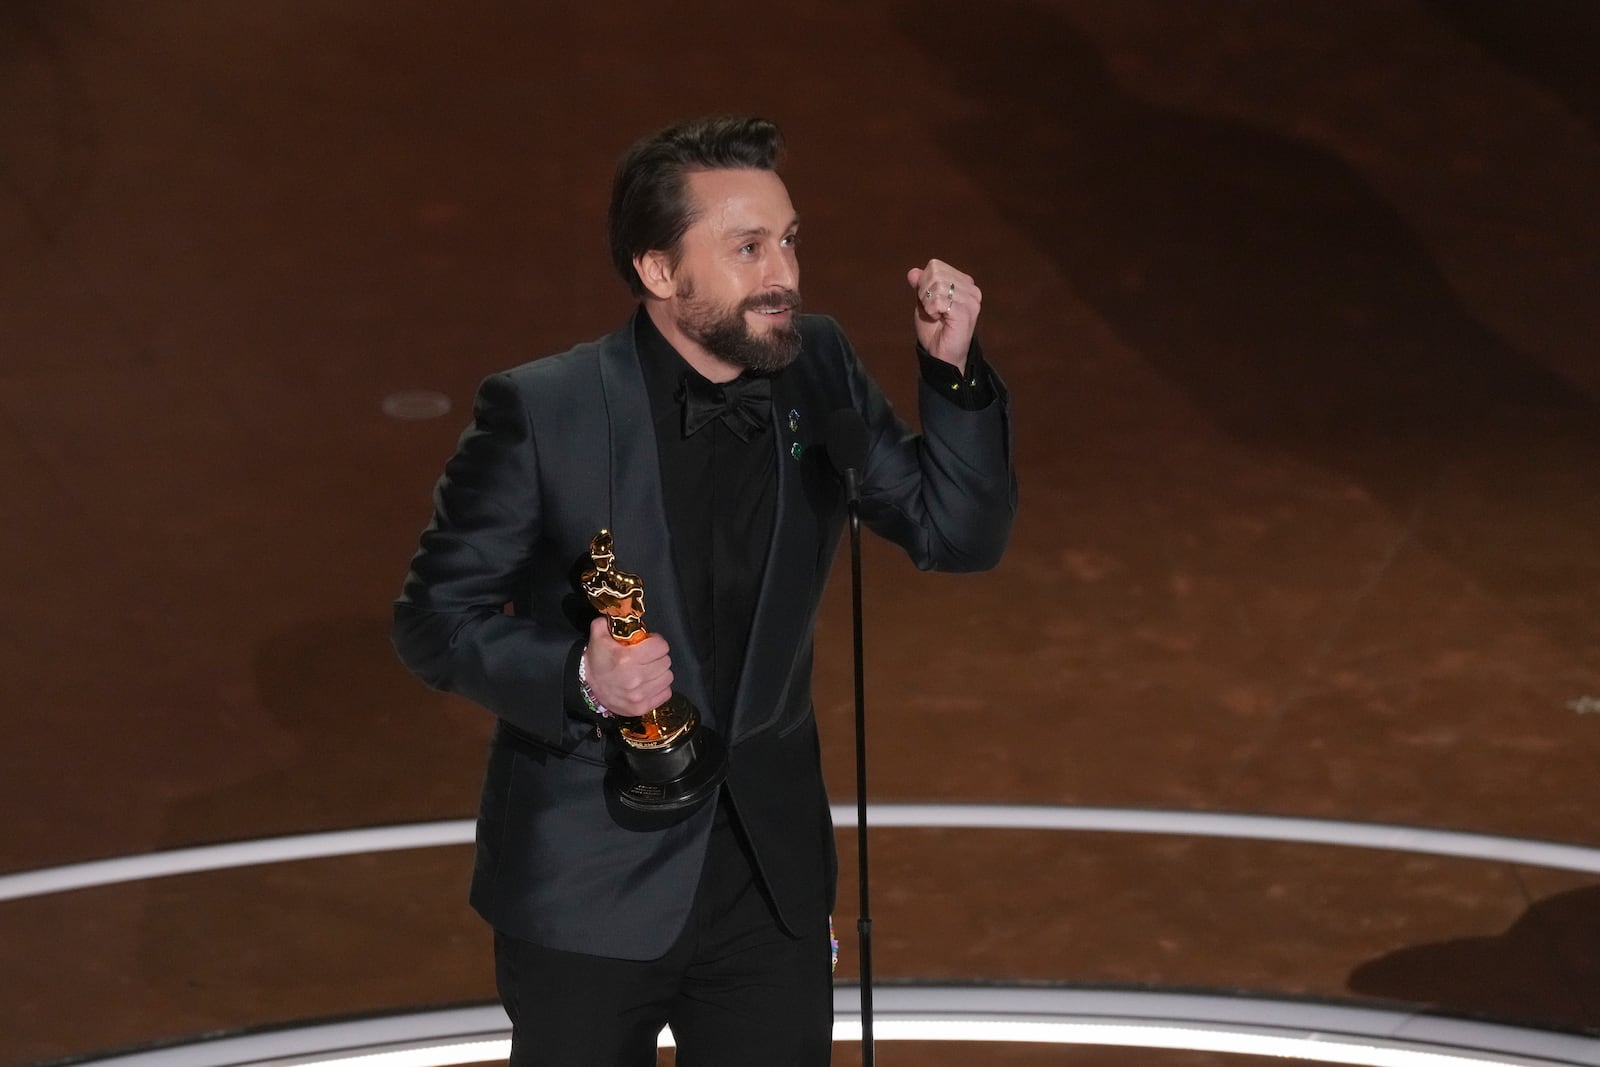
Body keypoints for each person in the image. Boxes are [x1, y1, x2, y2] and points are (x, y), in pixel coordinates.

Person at [392, 115, 1016, 1066]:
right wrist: (582, 677)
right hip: (591, 880)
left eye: (789, 240)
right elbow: (435, 618)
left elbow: (955, 534)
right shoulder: (543, 410)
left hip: (767, 880)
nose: (785, 275)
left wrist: (951, 367)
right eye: (748, 247)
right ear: (657, 271)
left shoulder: (820, 365)